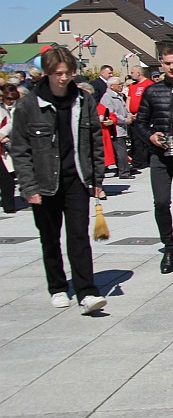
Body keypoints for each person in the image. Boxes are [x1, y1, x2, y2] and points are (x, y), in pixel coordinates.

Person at [8, 46, 108, 314]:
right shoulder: (29, 104)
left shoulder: (83, 101)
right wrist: (28, 186)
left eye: (69, 73)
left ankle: (87, 291)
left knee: (79, 236)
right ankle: (58, 287)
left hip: (76, 177)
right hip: (44, 181)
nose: (64, 78)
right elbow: (20, 149)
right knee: (50, 237)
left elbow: (94, 141)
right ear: (47, 73)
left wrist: (97, 179)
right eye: (59, 74)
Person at [134, 45, 173, 274]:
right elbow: (139, 123)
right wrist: (151, 136)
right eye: (168, 63)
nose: (172, 67)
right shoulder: (152, 92)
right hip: (160, 156)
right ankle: (169, 247)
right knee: (161, 203)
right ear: (161, 64)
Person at [99, 77, 133, 179]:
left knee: (121, 150)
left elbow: (125, 109)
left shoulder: (119, 96)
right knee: (120, 151)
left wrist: (129, 116)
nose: (121, 86)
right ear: (112, 86)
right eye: (119, 84)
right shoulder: (107, 97)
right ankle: (124, 172)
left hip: (122, 127)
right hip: (116, 128)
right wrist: (124, 120)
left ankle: (123, 169)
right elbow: (111, 113)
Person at [127, 65, 154, 170]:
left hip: (144, 116)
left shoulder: (149, 84)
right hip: (133, 116)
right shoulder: (132, 86)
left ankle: (144, 161)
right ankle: (137, 160)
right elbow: (129, 99)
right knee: (134, 140)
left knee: (143, 139)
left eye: (133, 72)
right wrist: (129, 112)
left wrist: (141, 113)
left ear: (139, 73)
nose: (131, 74)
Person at [0, 84, 19, 213]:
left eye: (13, 98)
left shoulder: (19, 108)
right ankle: (9, 206)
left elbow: (14, 124)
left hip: (12, 146)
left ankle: (10, 205)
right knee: (6, 179)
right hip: (3, 149)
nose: (10, 101)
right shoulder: (2, 110)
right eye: (8, 98)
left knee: (9, 179)